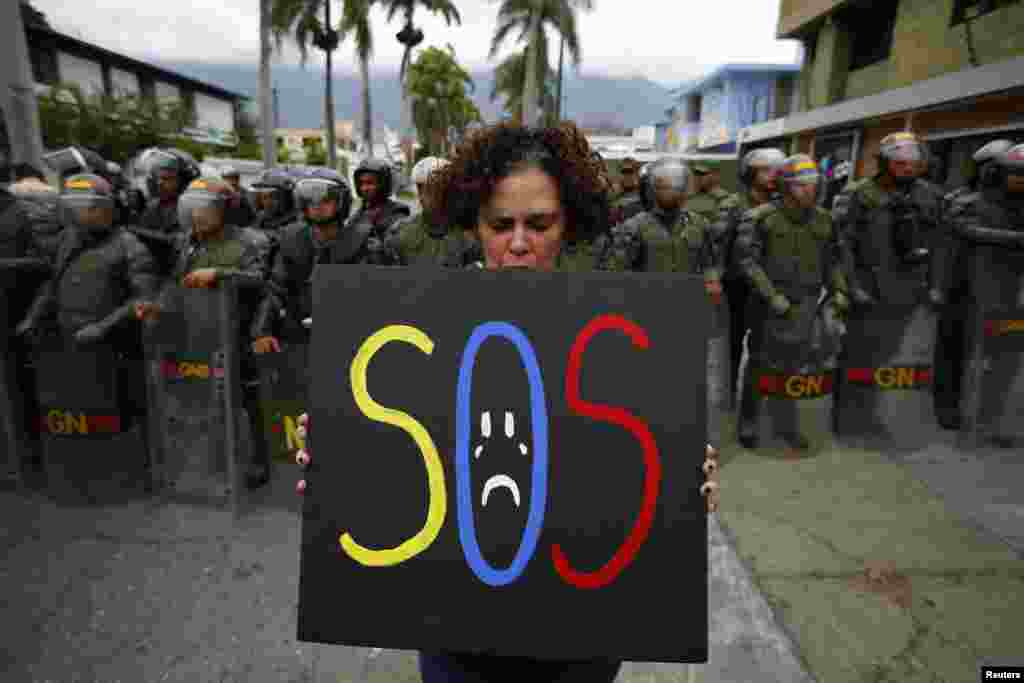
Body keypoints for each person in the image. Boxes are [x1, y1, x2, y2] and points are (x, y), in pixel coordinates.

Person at [293, 122, 721, 682]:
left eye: (539, 224)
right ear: (475, 224)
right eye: (501, 225)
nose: (519, 242)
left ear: (567, 224)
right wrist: (339, 451)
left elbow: (635, 458)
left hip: (581, 638)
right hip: (457, 636)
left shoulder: (618, 320)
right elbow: (399, 449)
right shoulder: (417, 315)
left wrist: (683, 481)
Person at [134, 177, 272, 487]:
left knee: (248, 402)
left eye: (204, 209)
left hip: (239, 330)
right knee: (203, 399)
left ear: (226, 210)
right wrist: (158, 307)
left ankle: (256, 462)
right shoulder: (188, 242)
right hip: (198, 330)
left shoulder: (252, 240)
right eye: (192, 209)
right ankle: (215, 458)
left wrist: (219, 274)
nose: (197, 216)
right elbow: (176, 283)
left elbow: (261, 279)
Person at [16, 174, 159, 452]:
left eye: (87, 207)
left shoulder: (129, 245)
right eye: (74, 206)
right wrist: (33, 317)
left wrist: (103, 327)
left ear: (107, 208)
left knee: (120, 416)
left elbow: (143, 299)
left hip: (114, 348)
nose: (80, 213)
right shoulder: (67, 241)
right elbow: (53, 285)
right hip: (69, 344)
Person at [734, 155, 850, 451]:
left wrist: (839, 290)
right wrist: (772, 297)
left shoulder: (825, 220)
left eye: (813, 185)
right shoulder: (759, 218)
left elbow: (833, 261)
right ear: (785, 187)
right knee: (760, 363)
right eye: (801, 185)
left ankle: (786, 424)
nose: (809, 191)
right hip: (768, 303)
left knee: (793, 367)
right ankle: (749, 421)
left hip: (808, 302)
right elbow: (748, 262)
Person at [252, 169, 392, 356]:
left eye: (326, 200)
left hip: (349, 339)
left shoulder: (363, 241)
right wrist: (261, 332)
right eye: (311, 201)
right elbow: (275, 290)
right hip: (299, 338)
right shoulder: (291, 238)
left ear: (341, 203)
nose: (317, 206)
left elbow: (376, 299)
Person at [931, 139, 1015, 429]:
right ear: (988, 171)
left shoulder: (1015, 205)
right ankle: (947, 406)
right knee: (953, 350)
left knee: (1003, 355)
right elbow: (966, 230)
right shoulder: (962, 200)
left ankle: (992, 413)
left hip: (1005, 287)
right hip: (962, 286)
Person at [832, 132, 943, 308]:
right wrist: (852, 287)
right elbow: (843, 244)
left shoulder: (929, 194)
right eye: (900, 163)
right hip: (870, 286)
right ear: (884, 163)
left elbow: (936, 243)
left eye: (913, 164)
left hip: (912, 288)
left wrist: (935, 286)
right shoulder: (858, 194)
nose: (908, 169)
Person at [713, 148, 786, 411]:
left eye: (776, 171)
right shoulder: (732, 206)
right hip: (736, 288)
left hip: (768, 289)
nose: (772, 177)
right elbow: (718, 248)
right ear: (750, 174)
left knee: (765, 349)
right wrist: (716, 282)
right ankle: (727, 396)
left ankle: (756, 403)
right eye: (765, 171)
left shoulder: (782, 207)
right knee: (730, 347)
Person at [597, 158, 721, 304]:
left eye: (675, 186)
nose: (670, 191)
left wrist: (713, 288)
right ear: (654, 189)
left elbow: (709, 265)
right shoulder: (633, 227)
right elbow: (615, 274)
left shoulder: (700, 225)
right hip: (646, 303)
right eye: (664, 187)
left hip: (689, 302)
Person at [388, 156, 480, 267]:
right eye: (421, 189)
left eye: (437, 189)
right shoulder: (400, 232)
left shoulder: (467, 239)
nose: (424, 196)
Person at [136, 148, 201, 275]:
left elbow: (183, 242)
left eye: (167, 179)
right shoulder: (153, 207)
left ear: (184, 181)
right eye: (158, 178)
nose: (159, 183)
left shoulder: (195, 209)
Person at [349, 158, 412, 240]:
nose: (364, 188)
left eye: (370, 183)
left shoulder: (396, 214)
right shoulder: (357, 216)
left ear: (384, 184)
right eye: (361, 183)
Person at [687, 159, 732, 224]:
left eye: (702, 173)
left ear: (715, 175)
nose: (697, 177)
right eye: (695, 173)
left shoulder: (727, 200)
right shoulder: (690, 197)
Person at [610, 157, 645, 226]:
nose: (627, 176)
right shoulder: (612, 197)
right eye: (624, 172)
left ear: (637, 174)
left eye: (630, 172)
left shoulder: (644, 197)